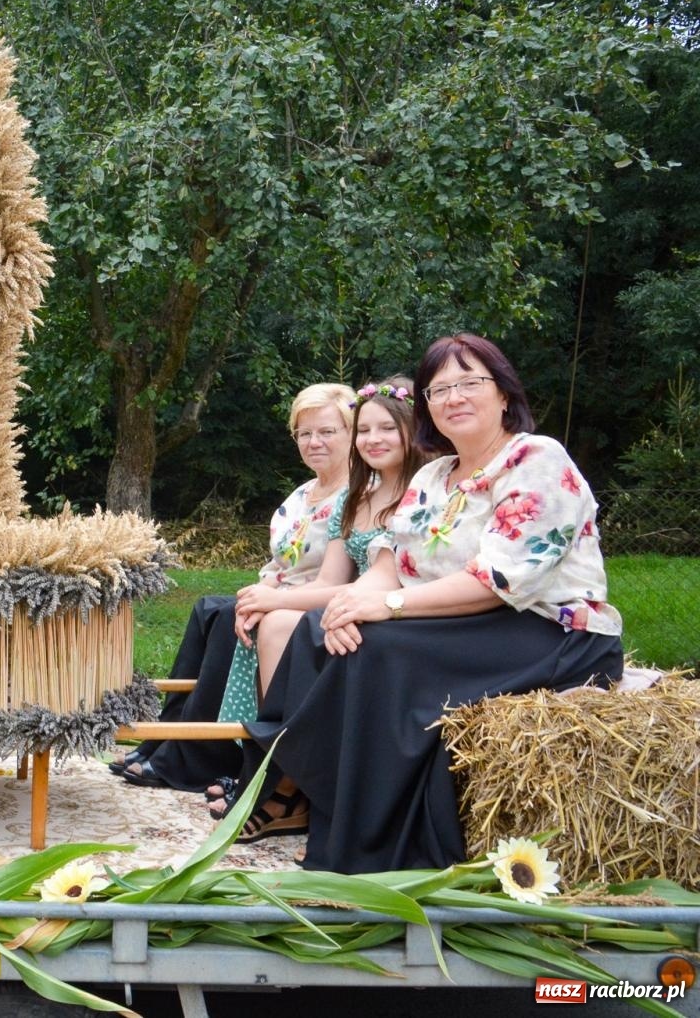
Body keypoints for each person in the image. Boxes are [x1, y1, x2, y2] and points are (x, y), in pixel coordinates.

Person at [235, 334, 623, 872]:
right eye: (439, 389)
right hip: (460, 621)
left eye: (470, 383)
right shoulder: (433, 476)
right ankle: (308, 795)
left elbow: (496, 580)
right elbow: (391, 561)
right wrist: (350, 605)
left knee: (378, 651)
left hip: (547, 631)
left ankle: (377, 842)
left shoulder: (534, 459)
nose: (454, 397)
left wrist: (388, 608)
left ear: (505, 394)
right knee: (314, 629)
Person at [205, 376, 426, 820]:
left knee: (281, 621)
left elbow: (393, 580)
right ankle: (284, 774)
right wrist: (271, 599)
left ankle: (287, 785)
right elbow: (333, 577)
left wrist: (277, 601)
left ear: (412, 430)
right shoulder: (359, 496)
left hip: (405, 604)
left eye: (385, 429)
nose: (372, 439)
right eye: (365, 430)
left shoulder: (423, 489)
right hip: (353, 597)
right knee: (268, 621)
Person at [117, 382, 354, 791]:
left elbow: (339, 578)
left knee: (229, 616)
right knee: (209, 607)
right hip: (278, 593)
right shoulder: (303, 494)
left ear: (352, 434)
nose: (314, 442)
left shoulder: (355, 498)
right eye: (304, 433)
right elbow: (277, 564)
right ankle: (164, 739)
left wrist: (266, 601)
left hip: (311, 604)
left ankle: (194, 758)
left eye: (327, 432)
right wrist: (257, 594)